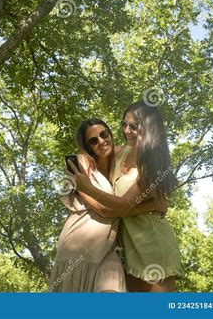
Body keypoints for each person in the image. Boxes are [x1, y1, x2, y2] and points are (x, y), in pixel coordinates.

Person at [69, 102, 183, 292]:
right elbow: (92, 152)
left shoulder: (150, 164)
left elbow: (123, 206)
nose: (127, 131)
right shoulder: (120, 153)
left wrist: (86, 188)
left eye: (134, 126)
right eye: (124, 124)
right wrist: (78, 162)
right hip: (127, 248)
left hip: (153, 244)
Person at [48, 119, 166, 292]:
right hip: (79, 244)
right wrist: (152, 206)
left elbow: (143, 156)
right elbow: (105, 210)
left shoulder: (120, 162)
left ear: (110, 133)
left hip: (109, 249)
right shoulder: (81, 168)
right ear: (88, 147)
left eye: (104, 134)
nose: (101, 141)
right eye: (93, 140)